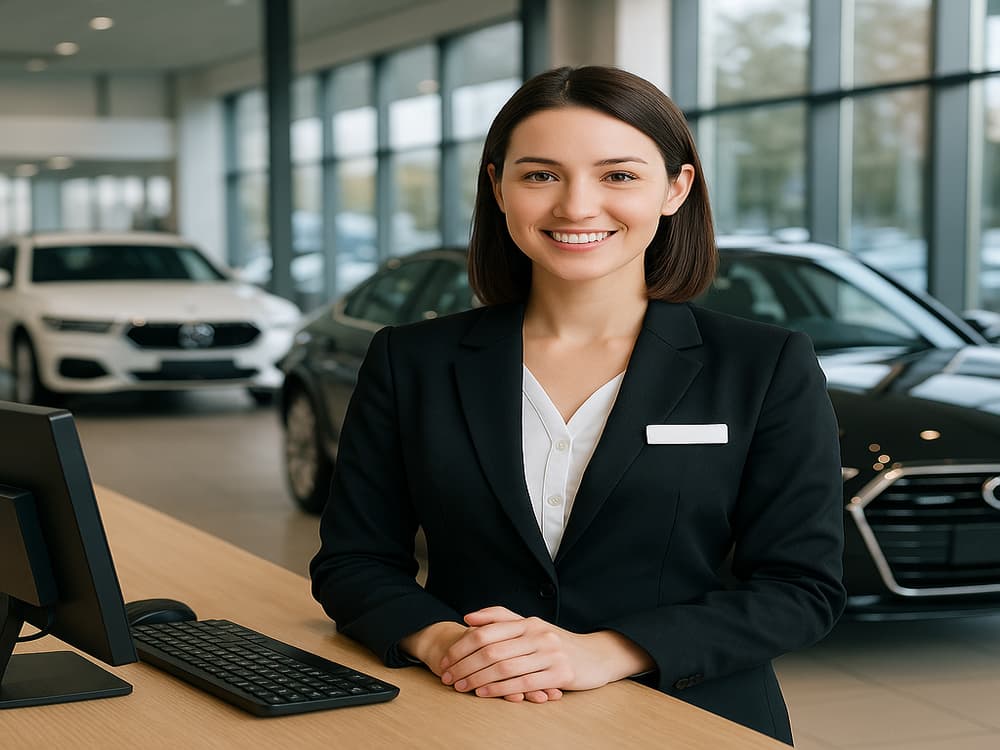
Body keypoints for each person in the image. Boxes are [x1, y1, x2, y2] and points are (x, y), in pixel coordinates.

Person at [310, 65, 845, 745]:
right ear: (498, 187)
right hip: (470, 711)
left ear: (676, 188)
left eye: (618, 175)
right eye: (541, 175)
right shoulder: (412, 360)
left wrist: (604, 651)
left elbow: (802, 588)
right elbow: (352, 561)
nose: (576, 207)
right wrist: (442, 642)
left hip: (690, 716)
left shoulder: (764, 365)